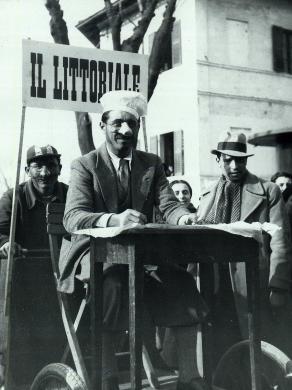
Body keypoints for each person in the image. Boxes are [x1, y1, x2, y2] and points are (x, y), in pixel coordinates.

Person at [59, 90, 210, 390]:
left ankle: (190, 377)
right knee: (113, 285)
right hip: (93, 255)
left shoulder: (151, 164)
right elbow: (73, 217)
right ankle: (108, 377)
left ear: (139, 128)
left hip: (141, 255)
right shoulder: (85, 165)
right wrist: (112, 219)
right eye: (117, 123)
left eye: (133, 124)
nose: (126, 131)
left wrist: (183, 217)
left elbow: (168, 205)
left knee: (180, 282)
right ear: (103, 126)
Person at [197, 131, 292, 362]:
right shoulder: (208, 194)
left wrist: (277, 285)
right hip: (214, 280)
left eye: (240, 159)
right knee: (218, 343)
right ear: (218, 159)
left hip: (252, 280)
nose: (234, 165)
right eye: (228, 159)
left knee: (258, 344)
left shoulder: (268, 191)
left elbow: (280, 240)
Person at [0, 145, 68, 386]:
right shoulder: (12, 197)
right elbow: (0, 231)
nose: (45, 173)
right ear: (28, 170)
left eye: (50, 165)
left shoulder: (70, 194)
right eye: (38, 166)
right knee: (21, 340)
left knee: (61, 335)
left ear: (59, 168)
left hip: (63, 275)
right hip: (25, 279)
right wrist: (7, 244)